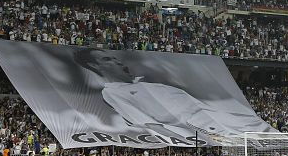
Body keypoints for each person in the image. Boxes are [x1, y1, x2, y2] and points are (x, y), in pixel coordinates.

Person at [74, 48, 273, 140]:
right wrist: (189, 138)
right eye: (108, 59)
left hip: (220, 116)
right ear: (94, 66)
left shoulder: (144, 82)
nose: (117, 61)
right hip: (202, 126)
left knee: (268, 137)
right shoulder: (113, 93)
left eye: (114, 58)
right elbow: (148, 123)